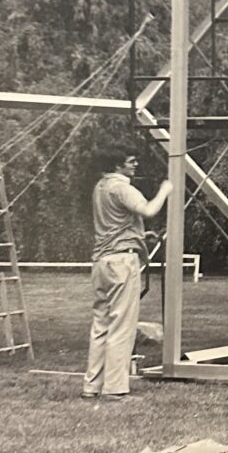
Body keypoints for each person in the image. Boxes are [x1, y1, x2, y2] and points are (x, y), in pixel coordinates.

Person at [82, 146, 172, 400]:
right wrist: (165, 190)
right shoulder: (121, 187)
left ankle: (92, 386)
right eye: (130, 162)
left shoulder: (100, 187)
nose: (135, 166)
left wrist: (141, 235)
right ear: (118, 164)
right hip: (122, 262)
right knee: (122, 325)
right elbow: (148, 210)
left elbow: (117, 222)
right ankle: (115, 389)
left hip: (102, 261)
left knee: (101, 324)